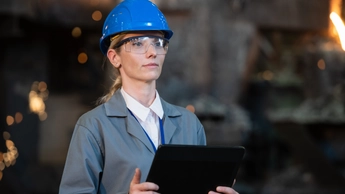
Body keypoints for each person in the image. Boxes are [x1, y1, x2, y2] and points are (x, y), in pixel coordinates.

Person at [59, 0, 239, 193]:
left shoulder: (189, 124)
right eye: (137, 43)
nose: (152, 52)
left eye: (158, 43)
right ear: (114, 57)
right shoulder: (94, 127)